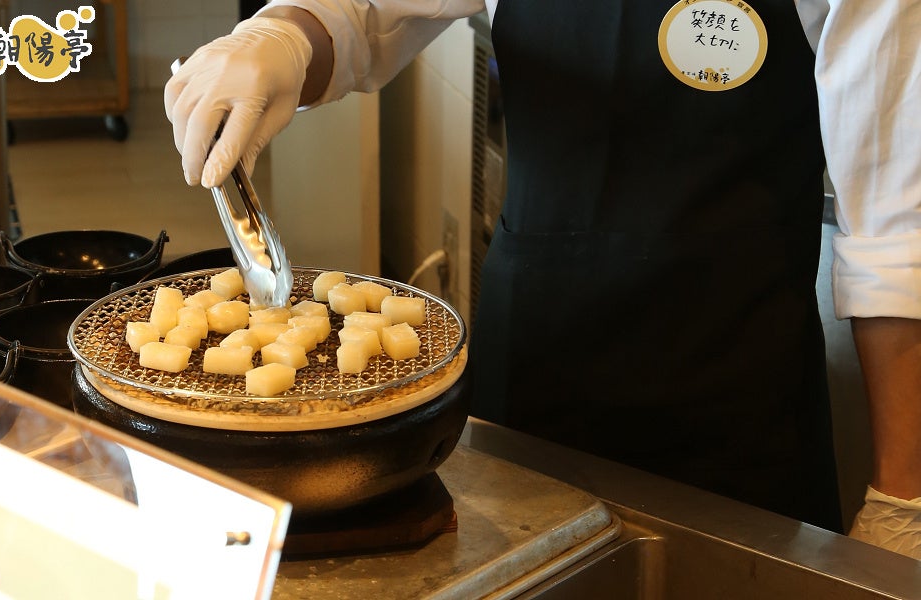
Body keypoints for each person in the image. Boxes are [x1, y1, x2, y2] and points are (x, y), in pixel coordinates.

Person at [165, 0, 921, 557]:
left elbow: (897, 232)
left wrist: (903, 501)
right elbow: (361, 17)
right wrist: (284, 37)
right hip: (530, 381)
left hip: (738, 397)